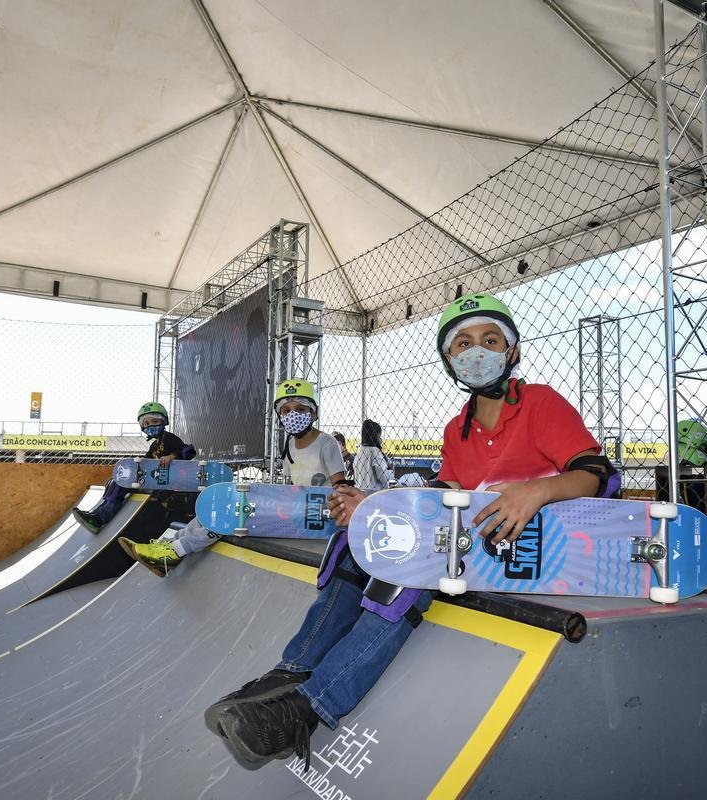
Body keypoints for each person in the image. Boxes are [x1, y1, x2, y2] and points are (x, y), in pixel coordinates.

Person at [204, 293, 618, 771]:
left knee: (410, 571)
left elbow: (596, 473)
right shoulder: (456, 429)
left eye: (489, 339)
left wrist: (537, 492)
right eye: (463, 343)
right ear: (450, 361)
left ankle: (309, 709)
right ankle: (290, 673)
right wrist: (378, 507)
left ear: (512, 352)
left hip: (531, 546)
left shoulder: (540, 404)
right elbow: (443, 492)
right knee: (355, 543)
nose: (476, 351)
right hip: (472, 543)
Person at [125, 378, 346, 574]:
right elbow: (290, 484)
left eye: (299, 408)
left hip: (314, 515)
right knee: (220, 503)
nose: (292, 415)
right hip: (292, 506)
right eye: (286, 410)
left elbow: (341, 487)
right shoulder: (289, 443)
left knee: (231, 517)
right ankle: (173, 543)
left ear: (314, 413)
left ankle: (176, 552)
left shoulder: (327, 444)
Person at [72, 402, 190, 534]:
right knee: (115, 481)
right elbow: (145, 461)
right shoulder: (154, 446)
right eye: (147, 423)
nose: (151, 425)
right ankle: (97, 514)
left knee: (121, 482)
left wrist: (171, 456)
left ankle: (100, 519)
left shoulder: (169, 438)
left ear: (164, 421)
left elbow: (187, 451)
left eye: (155, 421)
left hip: (166, 481)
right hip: (155, 479)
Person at [351, 419, 393, 491]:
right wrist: (391, 469)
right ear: (375, 436)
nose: (380, 439)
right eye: (379, 436)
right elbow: (384, 477)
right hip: (374, 496)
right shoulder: (374, 451)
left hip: (360, 496)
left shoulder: (359, 453)